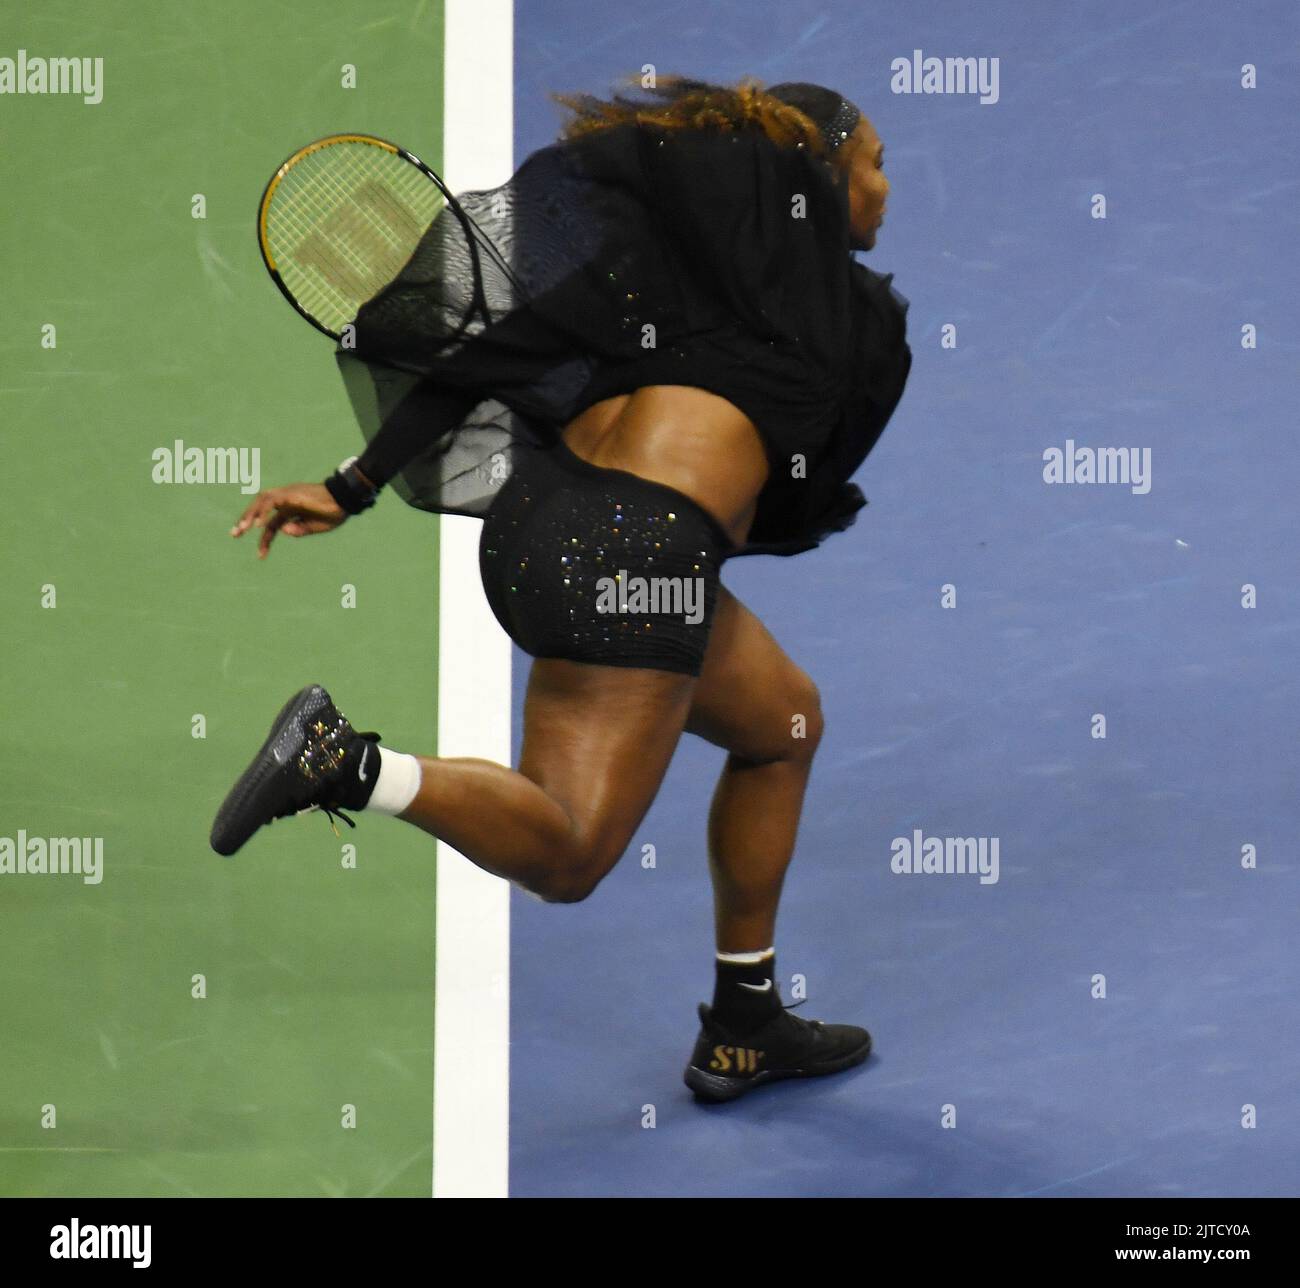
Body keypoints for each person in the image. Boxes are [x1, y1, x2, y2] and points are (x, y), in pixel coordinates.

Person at [211, 75, 911, 1102]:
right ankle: (349, 762)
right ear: (823, 170)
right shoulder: (845, 321)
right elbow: (790, 496)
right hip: (638, 554)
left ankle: (743, 1022)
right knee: (569, 852)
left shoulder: (651, 270)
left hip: (535, 521)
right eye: (875, 165)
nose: (886, 191)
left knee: (784, 722)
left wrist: (349, 486)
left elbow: (482, 361)